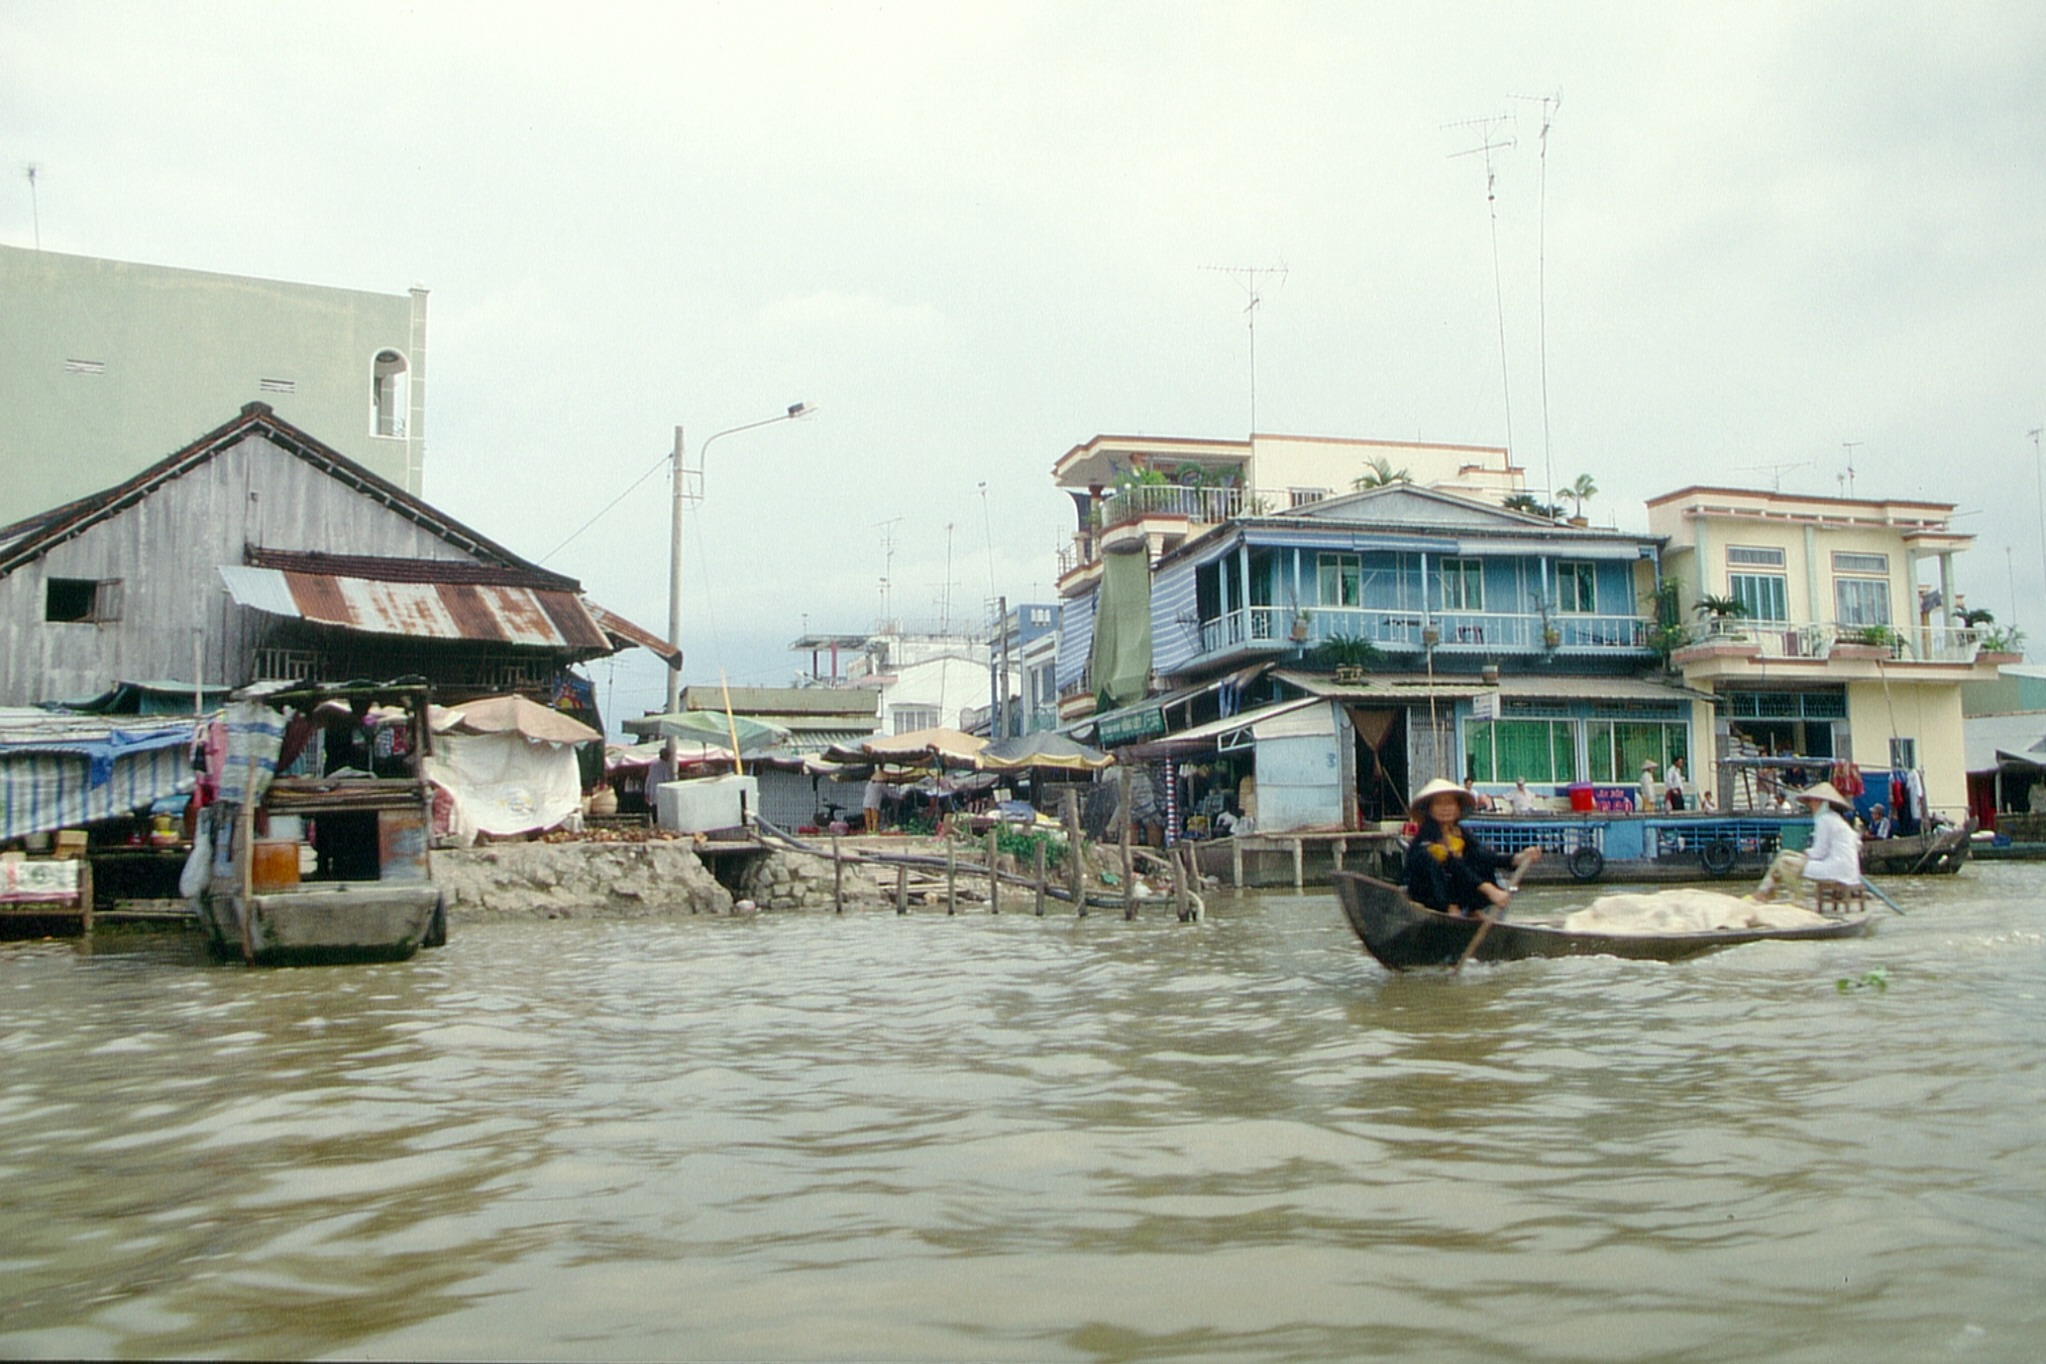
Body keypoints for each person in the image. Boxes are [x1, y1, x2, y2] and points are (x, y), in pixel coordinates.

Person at [1403, 777, 1541, 917]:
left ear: (1458, 808)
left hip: (1458, 892)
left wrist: (1517, 858)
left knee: (1478, 858)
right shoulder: (1426, 838)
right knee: (1429, 859)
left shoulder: (1461, 833)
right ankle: (1451, 908)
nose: (1445, 808)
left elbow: (1484, 856)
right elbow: (1453, 864)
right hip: (1431, 896)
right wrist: (1489, 890)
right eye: (1438, 804)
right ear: (1429, 809)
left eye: (1450, 803)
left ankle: (1474, 909)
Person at [1798, 780, 1863, 900]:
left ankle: (1797, 901)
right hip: (1851, 871)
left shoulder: (1824, 820)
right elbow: (1857, 844)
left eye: (1811, 802)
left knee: (1793, 866)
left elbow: (1819, 852)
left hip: (1836, 869)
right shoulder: (1837, 819)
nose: (1810, 806)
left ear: (1820, 801)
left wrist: (1805, 853)